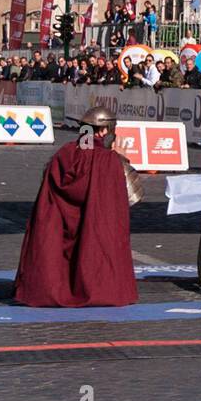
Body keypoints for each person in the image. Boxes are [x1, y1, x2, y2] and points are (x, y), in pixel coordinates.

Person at [13, 106, 138, 307]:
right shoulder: (107, 160)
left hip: (61, 220)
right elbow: (123, 199)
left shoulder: (65, 153)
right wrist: (120, 160)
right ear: (104, 130)